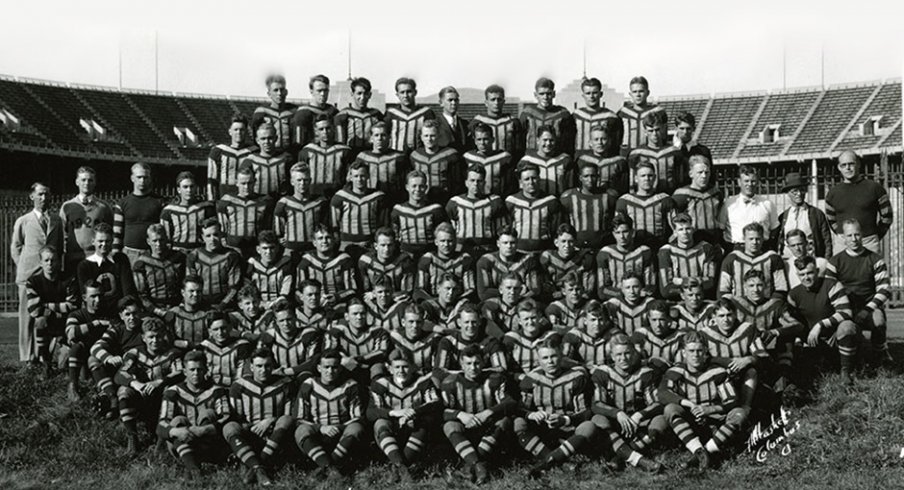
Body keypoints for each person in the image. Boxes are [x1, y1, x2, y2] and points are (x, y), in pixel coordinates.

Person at [658, 331, 747, 471]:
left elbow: (731, 400)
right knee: (670, 409)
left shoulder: (717, 372)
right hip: (690, 420)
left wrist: (708, 410)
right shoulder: (676, 371)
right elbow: (663, 393)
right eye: (691, 351)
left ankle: (705, 452)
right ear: (683, 352)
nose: (695, 355)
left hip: (714, 419)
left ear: (705, 351)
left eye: (699, 350)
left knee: (739, 413)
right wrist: (690, 405)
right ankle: (699, 450)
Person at [515, 337, 597, 479]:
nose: (550, 361)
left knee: (589, 426)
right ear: (538, 360)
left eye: (553, 356)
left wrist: (564, 420)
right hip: (542, 430)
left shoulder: (576, 377)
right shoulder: (531, 379)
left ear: (561, 356)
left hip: (568, 430)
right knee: (518, 423)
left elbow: (585, 412)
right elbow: (519, 408)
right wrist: (531, 414)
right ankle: (559, 461)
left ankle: (546, 464)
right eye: (545, 358)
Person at [440, 344, 516, 484]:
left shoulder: (494, 379)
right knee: (450, 425)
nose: (473, 368)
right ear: (461, 364)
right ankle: (479, 465)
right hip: (465, 427)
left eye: (476, 363)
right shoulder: (450, 382)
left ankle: (470, 465)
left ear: (483, 363)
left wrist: (487, 413)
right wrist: (460, 415)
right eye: (468, 363)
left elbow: (510, 402)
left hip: (488, 427)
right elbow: (442, 411)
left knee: (504, 421)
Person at [589, 334, 664, 473]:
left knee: (661, 421)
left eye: (627, 353)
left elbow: (657, 403)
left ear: (634, 353)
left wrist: (639, 415)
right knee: (598, 420)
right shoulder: (602, 373)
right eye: (618, 354)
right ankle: (639, 460)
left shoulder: (645, 373)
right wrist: (617, 413)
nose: (623, 358)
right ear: (611, 355)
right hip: (614, 423)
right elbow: (597, 404)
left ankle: (618, 458)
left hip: (637, 424)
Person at [222, 348, 294, 485]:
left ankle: (256, 464)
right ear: (251, 367)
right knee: (229, 427)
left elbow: (289, 415)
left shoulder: (286, 384)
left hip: (276, 435)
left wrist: (271, 420)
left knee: (286, 420)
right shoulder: (239, 386)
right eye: (259, 366)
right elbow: (237, 418)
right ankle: (259, 468)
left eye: (267, 366)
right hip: (250, 433)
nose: (263, 370)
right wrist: (253, 426)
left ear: (273, 366)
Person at [826, 218, 892, 365]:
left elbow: (884, 288)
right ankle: (846, 355)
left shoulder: (875, 259)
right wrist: (843, 311)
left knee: (878, 319)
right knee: (846, 330)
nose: (854, 239)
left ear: (862, 235)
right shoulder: (834, 262)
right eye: (849, 235)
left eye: (857, 235)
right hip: (845, 309)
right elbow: (828, 289)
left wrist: (867, 309)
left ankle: (879, 353)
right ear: (843, 237)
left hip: (869, 308)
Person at [115, 316, 184, 456]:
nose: (155, 340)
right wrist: (136, 384)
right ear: (143, 337)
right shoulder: (134, 353)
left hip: (162, 400)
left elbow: (180, 372)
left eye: (158, 336)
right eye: (151, 337)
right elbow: (120, 374)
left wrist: (160, 382)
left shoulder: (173, 353)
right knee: (124, 391)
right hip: (141, 398)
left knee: (170, 391)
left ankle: (161, 442)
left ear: (164, 336)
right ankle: (132, 437)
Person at [367, 349, 441, 478]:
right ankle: (400, 466)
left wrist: (414, 412)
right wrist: (395, 413)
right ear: (389, 369)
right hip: (392, 427)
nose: (401, 371)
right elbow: (371, 412)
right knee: (380, 423)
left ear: (412, 367)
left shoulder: (422, 382)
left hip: (414, 427)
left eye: (405, 367)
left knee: (424, 423)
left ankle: (401, 466)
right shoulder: (380, 384)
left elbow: (435, 402)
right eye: (397, 367)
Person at [157, 350, 230, 479]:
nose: (196, 373)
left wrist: (205, 429)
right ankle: (194, 468)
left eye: (199, 369)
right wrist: (176, 432)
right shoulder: (173, 392)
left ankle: (193, 465)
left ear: (206, 370)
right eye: (192, 370)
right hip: (181, 443)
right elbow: (161, 425)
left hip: (209, 443)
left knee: (208, 413)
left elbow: (227, 417)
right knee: (177, 420)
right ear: (185, 371)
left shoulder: (216, 390)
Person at [12, 182, 64, 363]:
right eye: (40, 194)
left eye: (47, 194)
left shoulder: (57, 220)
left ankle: (44, 357)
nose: (44, 198)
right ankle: (27, 358)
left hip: (49, 275)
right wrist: (23, 266)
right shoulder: (23, 221)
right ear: (32, 196)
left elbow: (60, 248)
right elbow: (16, 246)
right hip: (28, 275)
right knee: (27, 317)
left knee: (45, 315)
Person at [294, 349, 365, 478]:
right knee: (301, 430)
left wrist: (339, 428)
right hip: (318, 434)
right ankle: (331, 469)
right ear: (319, 368)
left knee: (356, 428)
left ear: (340, 368)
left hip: (341, 434)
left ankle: (325, 466)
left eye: (334, 367)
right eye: (326, 367)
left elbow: (358, 417)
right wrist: (321, 428)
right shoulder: (309, 384)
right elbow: (299, 418)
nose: (330, 371)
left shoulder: (350, 385)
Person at [787, 255, 857, 381]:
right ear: (797, 275)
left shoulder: (831, 284)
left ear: (817, 271)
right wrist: (799, 340)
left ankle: (846, 370)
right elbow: (794, 321)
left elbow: (846, 312)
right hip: (812, 341)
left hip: (834, 337)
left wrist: (820, 325)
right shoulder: (794, 294)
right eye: (802, 274)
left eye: (810, 273)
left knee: (847, 326)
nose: (806, 278)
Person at [699, 299, 768, 416]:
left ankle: (746, 407)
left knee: (752, 372)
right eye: (721, 316)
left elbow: (762, 355)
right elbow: (700, 360)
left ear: (736, 314)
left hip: (742, 376)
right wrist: (721, 361)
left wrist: (748, 359)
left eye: (729, 315)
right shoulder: (704, 334)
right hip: (717, 378)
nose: (726, 319)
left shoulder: (747, 329)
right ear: (714, 317)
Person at [824, 151, 893, 254]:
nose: (848, 168)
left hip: (868, 243)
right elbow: (831, 219)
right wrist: (843, 234)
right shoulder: (833, 193)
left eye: (851, 164)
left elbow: (887, 216)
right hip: (843, 244)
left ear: (858, 164)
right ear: (839, 167)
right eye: (844, 165)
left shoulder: (874, 188)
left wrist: (875, 235)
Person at [25, 246, 78, 375]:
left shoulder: (69, 279)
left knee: (62, 366)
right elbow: (34, 310)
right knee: (39, 321)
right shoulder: (33, 281)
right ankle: (45, 362)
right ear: (41, 263)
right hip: (47, 321)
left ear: (59, 262)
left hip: (66, 323)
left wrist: (46, 305)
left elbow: (72, 305)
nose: (50, 263)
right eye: (46, 260)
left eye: (53, 260)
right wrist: (59, 309)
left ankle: (63, 351)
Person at [89, 297, 144, 418]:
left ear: (140, 312)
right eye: (127, 314)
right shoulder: (118, 330)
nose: (132, 318)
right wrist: (108, 358)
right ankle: (111, 397)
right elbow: (95, 348)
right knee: (93, 359)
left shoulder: (146, 326)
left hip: (143, 368)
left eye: (135, 313)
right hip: (123, 369)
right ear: (121, 316)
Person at [59, 166, 115, 275]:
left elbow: (110, 232)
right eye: (83, 180)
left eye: (90, 180)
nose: (87, 183)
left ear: (95, 183)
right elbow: (62, 233)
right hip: (73, 258)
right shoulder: (67, 206)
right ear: (77, 182)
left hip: (96, 257)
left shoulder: (103, 207)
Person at [446, 164, 509, 257]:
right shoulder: (455, 203)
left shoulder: (494, 202)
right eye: (472, 180)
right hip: (462, 250)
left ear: (484, 182)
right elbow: (450, 230)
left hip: (487, 249)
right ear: (466, 183)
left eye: (479, 181)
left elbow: (502, 229)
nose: (475, 184)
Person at [216, 163, 276, 259]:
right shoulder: (227, 201)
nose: (246, 187)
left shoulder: (265, 202)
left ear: (255, 182)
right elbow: (222, 226)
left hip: (256, 250)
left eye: (250, 183)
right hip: (232, 248)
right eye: (243, 183)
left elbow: (268, 227)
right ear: (236, 182)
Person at [330, 161, 389, 256]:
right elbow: (334, 225)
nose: (359, 179)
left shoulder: (378, 197)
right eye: (356, 176)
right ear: (351, 178)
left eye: (362, 176)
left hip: (369, 245)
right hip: (346, 244)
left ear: (368, 176)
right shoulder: (340, 197)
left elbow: (383, 224)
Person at [76, 222, 135, 317]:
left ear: (112, 241)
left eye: (107, 241)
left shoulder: (120, 260)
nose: (104, 244)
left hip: (121, 313)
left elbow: (128, 291)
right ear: (93, 241)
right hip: (97, 314)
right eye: (100, 241)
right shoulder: (84, 266)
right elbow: (88, 298)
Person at [65, 281, 112, 401]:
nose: (98, 300)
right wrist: (96, 324)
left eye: (100, 295)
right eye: (93, 296)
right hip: (82, 358)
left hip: (101, 355)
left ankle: (104, 391)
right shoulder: (76, 315)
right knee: (76, 347)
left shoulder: (109, 313)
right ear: (84, 298)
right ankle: (73, 386)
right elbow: (71, 333)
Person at [560, 161, 620, 250]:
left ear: (598, 177)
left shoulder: (609, 196)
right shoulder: (568, 197)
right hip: (577, 248)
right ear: (580, 178)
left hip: (602, 247)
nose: (590, 180)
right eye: (586, 176)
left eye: (593, 176)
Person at [295, 225, 359, 308]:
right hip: (313, 306)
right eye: (320, 238)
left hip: (338, 305)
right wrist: (314, 301)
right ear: (314, 242)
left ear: (333, 240)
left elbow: (352, 290)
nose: (324, 241)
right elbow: (297, 292)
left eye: (327, 237)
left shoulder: (344, 260)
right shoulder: (306, 261)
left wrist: (336, 297)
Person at [657, 213, 719, 300]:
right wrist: (697, 281)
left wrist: (679, 281)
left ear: (693, 230)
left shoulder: (706, 248)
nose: (685, 232)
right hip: (676, 301)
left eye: (688, 228)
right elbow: (666, 290)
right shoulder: (666, 251)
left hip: (701, 299)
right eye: (680, 229)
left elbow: (710, 283)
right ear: (675, 233)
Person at [185, 218, 243, 309]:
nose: (212, 239)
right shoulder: (194, 256)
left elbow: (234, 287)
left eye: (215, 234)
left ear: (221, 234)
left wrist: (222, 306)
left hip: (226, 307)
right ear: (202, 237)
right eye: (208, 236)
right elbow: (190, 285)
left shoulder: (231, 256)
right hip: (200, 306)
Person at [273, 163, 329, 257]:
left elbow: (325, 226)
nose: (302, 183)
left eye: (305, 180)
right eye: (299, 180)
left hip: (314, 251)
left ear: (310, 180)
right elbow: (278, 231)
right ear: (292, 182)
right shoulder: (284, 203)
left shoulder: (320, 202)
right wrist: (280, 239)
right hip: (291, 252)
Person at [616, 161, 675, 250]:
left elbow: (677, 228)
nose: (646, 179)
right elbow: (617, 228)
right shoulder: (624, 201)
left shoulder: (665, 199)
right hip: (633, 249)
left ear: (655, 178)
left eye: (650, 175)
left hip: (658, 248)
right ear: (636, 178)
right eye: (643, 176)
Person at [718, 223, 787, 299]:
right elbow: (723, 290)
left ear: (763, 239)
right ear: (744, 238)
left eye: (758, 239)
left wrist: (770, 305)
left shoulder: (773, 258)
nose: (754, 242)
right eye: (751, 239)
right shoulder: (732, 259)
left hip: (767, 306)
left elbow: (782, 287)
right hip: (739, 307)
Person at [113, 163, 164, 264]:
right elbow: (117, 232)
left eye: (145, 177)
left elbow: (164, 230)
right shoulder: (122, 203)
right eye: (139, 177)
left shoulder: (160, 202)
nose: (142, 181)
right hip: (129, 253)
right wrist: (115, 252)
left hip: (153, 253)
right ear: (132, 178)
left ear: (150, 179)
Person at [506, 162, 562, 253]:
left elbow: (556, 230)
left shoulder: (550, 201)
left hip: (543, 252)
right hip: (518, 252)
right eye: (527, 179)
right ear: (520, 181)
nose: (531, 182)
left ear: (539, 179)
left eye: (534, 178)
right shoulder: (511, 201)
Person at [596, 213, 655, 300]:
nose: (622, 236)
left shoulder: (644, 252)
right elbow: (602, 290)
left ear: (632, 232)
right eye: (618, 233)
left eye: (625, 232)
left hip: (639, 300)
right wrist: (625, 294)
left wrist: (640, 293)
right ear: (613, 234)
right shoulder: (605, 253)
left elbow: (651, 286)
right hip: (616, 300)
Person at [718, 165, 779, 250]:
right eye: (746, 181)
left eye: (753, 181)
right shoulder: (729, 204)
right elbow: (720, 229)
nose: (750, 184)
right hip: (736, 249)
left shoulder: (767, 204)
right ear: (739, 182)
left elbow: (774, 229)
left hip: (761, 249)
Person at [434, 303, 507, 373]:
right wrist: (467, 374)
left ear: (479, 322)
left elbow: (502, 368)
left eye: (474, 322)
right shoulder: (448, 341)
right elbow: (439, 372)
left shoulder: (491, 342)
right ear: (459, 323)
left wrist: (476, 372)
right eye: (466, 322)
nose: (470, 326)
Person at [475, 226, 543, 301]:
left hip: (523, 301)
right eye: (505, 243)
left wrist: (519, 298)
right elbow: (483, 293)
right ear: (498, 244)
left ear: (517, 243)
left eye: (512, 243)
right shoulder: (486, 261)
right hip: (496, 302)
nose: (509, 246)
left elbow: (536, 290)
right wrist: (513, 292)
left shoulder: (528, 260)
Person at [627, 109, 686, 195]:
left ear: (662, 129)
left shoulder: (674, 152)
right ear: (645, 132)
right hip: (645, 198)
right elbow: (631, 184)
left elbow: (681, 181)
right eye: (651, 131)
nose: (654, 134)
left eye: (657, 130)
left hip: (669, 196)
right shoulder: (636, 154)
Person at [132, 224, 185, 316]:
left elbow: (186, 285)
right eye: (155, 241)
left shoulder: (179, 258)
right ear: (148, 241)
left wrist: (181, 306)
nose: (158, 244)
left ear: (166, 239)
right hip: (152, 311)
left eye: (161, 240)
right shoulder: (141, 264)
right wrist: (159, 312)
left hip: (178, 307)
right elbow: (141, 295)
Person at [671, 155, 724, 247]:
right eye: (700, 172)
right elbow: (673, 221)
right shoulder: (680, 195)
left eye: (706, 172)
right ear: (691, 174)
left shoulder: (716, 193)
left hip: (714, 239)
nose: (704, 176)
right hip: (693, 241)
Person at [391, 170, 447, 255]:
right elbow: (394, 236)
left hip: (429, 254)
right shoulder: (398, 210)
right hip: (405, 254)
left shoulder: (435, 210)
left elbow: (442, 235)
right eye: (414, 186)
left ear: (426, 187)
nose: (417, 189)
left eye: (421, 186)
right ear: (407, 187)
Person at [776, 172, 832, 259]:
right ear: (788, 193)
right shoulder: (783, 217)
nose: (799, 194)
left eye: (802, 190)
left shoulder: (816, 214)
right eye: (795, 191)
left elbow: (827, 241)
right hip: (789, 261)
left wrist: (826, 261)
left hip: (811, 261)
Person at [414, 222, 476, 301]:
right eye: (442, 241)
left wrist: (458, 302)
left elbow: (471, 289)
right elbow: (419, 290)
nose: (446, 244)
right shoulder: (427, 260)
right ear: (436, 242)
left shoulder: (464, 259)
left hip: (458, 301)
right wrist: (434, 304)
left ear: (455, 241)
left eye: (449, 241)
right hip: (432, 302)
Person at [258, 303, 321, 378]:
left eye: (289, 319)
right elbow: (259, 360)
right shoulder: (268, 336)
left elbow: (314, 361)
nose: (286, 323)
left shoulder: (308, 335)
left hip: (301, 374)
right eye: (281, 320)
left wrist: (288, 371)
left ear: (295, 317)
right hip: (277, 375)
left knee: (306, 377)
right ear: (276, 321)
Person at [296, 116, 353, 197]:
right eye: (321, 129)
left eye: (328, 128)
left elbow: (350, 176)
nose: (325, 132)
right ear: (316, 131)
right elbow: (300, 175)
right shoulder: (306, 151)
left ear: (333, 128)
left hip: (337, 195)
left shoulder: (345, 151)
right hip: (313, 196)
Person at [410, 120, 463, 203]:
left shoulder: (450, 155)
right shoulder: (415, 156)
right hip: (422, 200)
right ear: (421, 137)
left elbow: (457, 182)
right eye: (426, 136)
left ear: (438, 136)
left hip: (444, 199)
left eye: (432, 136)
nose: (429, 139)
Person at [519, 77, 576, 156]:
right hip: (532, 157)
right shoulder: (527, 113)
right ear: (535, 95)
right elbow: (520, 141)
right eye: (541, 94)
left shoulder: (563, 114)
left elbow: (569, 142)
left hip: (555, 157)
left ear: (554, 94)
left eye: (548, 94)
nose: (545, 97)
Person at [160, 172, 216, 251]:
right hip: (177, 252)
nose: (189, 190)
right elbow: (165, 237)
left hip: (199, 251)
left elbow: (214, 231)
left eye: (191, 186)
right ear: (179, 189)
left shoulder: (205, 208)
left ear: (196, 188)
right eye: (185, 187)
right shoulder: (168, 211)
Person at [539, 225, 595, 303]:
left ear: (575, 242)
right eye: (563, 241)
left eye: (571, 241)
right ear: (556, 242)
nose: (567, 245)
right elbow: (545, 288)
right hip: (553, 300)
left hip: (577, 299)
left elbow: (588, 291)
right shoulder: (547, 257)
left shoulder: (584, 258)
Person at [502, 299, 559, 375]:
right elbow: (506, 368)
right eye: (526, 319)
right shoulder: (510, 339)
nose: (530, 322)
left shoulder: (551, 337)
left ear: (539, 317)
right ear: (519, 321)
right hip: (518, 381)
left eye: (533, 318)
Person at [207, 114, 257, 201]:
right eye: (236, 129)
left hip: (249, 201)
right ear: (230, 131)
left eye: (242, 130)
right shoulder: (218, 151)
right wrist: (212, 202)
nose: (238, 132)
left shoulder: (254, 151)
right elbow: (212, 181)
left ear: (246, 131)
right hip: (225, 198)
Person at [353, 122, 409, 197]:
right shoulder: (362, 157)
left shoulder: (399, 157)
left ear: (389, 137)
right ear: (371, 138)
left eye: (383, 135)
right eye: (376, 135)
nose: (379, 138)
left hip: (393, 198)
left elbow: (406, 181)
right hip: (369, 199)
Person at [631, 300, 685, 378]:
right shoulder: (641, 335)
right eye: (654, 320)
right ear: (648, 319)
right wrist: (650, 360)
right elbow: (633, 363)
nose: (658, 325)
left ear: (668, 319)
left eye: (661, 319)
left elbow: (681, 366)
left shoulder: (679, 337)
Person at [358, 227, 415, 299]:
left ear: (394, 245)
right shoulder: (365, 261)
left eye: (389, 245)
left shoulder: (404, 261)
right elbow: (364, 290)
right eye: (383, 245)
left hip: (397, 300)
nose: (386, 249)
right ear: (376, 246)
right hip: (373, 299)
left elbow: (407, 291)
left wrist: (388, 296)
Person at [518, 125, 574, 197]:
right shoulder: (526, 161)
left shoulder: (565, 160)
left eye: (551, 140)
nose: (548, 144)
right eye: (545, 140)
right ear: (538, 141)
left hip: (559, 202)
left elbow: (571, 187)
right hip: (537, 203)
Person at [240, 122, 294, 199]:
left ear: (276, 138)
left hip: (280, 202)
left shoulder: (286, 159)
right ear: (257, 140)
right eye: (263, 139)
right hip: (257, 203)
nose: (267, 142)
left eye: (270, 138)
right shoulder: (250, 161)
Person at [469, 84, 523, 159]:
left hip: (507, 165)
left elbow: (519, 149)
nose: (496, 103)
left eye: (499, 99)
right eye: (493, 99)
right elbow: (471, 148)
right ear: (486, 102)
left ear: (504, 101)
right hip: (483, 163)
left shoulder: (513, 122)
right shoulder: (477, 122)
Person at [575, 121, 629, 195]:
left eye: (603, 139)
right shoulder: (581, 161)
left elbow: (624, 188)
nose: (600, 142)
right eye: (596, 139)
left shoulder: (619, 162)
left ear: (609, 141)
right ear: (590, 143)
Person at [200, 311, 253, 388]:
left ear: (230, 327)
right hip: (210, 390)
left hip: (235, 389)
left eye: (223, 328)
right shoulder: (204, 347)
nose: (220, 333)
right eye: (215, 329)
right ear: (210, 331)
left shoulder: (241, 346)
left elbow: (243, 374)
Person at [335, 77, 385, 155]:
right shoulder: (343, 115)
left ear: (370, 95)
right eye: (359, 93)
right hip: (351, 156)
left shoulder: (376, 114)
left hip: (371, 156)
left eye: (365, 94)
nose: (362, 97)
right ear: (352, 94)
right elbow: (340, 143)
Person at [462, 122, 514, 197]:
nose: (482, 143)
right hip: (474, 200)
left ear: (492, 139)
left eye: (485, 139)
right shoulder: (467, 158)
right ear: (475, 141)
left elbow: (509, 184)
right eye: (479, 139)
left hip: (496, 199)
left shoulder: (504, 158)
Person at [385, 77, 435, 154]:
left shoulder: (426, 112)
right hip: (395, 156)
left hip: (419, 156)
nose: (405, 95)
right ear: (397, 94)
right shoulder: (391, 113)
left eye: (409, 92)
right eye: (402, 92)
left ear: (415, 92)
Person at [244, 231, 292, 310]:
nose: (268, 252)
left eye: (272, 248)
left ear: (277, 248)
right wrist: (261, 304)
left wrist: (274, 304)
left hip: (280, 308)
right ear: (258, 249)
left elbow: (286, 292)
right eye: (265, 248)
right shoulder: (251, 266)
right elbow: (248, 291)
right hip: (256, 308)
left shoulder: (285, 265)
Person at [573, 77, 622, 153]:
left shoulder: (611, 117)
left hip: (604, 158)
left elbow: (616, 143)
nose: (591, 96)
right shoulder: (575, 116)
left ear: (601, 94)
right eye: (588, 93)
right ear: (583, 95)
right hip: (580, 158)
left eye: (595, 93)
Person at [562, 300, 616, 367]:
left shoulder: (613, 336)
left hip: (605, 374)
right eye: (593, 320)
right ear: (585, 321)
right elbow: (564, 359)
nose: (597, 324)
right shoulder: (574, 336)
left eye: (601, 319)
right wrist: (584, 366)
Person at [251, 74, 296, 153]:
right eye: (276, 90)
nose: (279, 93)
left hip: (290, 155)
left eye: (282, 90)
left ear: (286, 92)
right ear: (269, 94)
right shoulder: (261, 112)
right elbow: (255, 138)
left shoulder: (294, 111)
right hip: (271, 157)